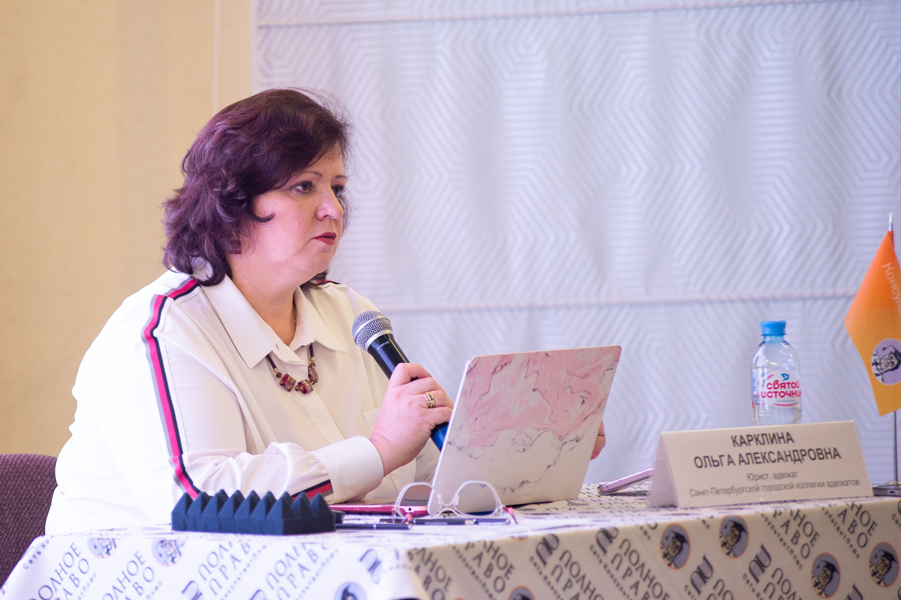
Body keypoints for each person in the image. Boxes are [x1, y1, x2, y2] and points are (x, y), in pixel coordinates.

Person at [46, 89, 453, 533]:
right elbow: (198, 500)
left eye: (337, 188)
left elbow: (434, 479)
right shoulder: (164, 330)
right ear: (233, 201)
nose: (333, 208)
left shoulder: (352, 315)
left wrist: (469, 455)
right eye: (304, 186)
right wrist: (379, 450)